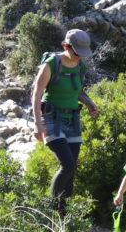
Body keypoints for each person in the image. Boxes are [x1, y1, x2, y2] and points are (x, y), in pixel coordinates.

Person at [31, 29, 100, 211]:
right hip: (51, 117)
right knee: (67, 165)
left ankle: (64, 215)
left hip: (72, 119)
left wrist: (89, 103)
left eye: (82, 54)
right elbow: (36, 94)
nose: (79, 57)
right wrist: (38, 125)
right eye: (76, 53)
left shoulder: (80, 66)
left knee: (72, 170)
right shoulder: (52, 64)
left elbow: (77, 91)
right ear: (65, 46)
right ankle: (51, 210)